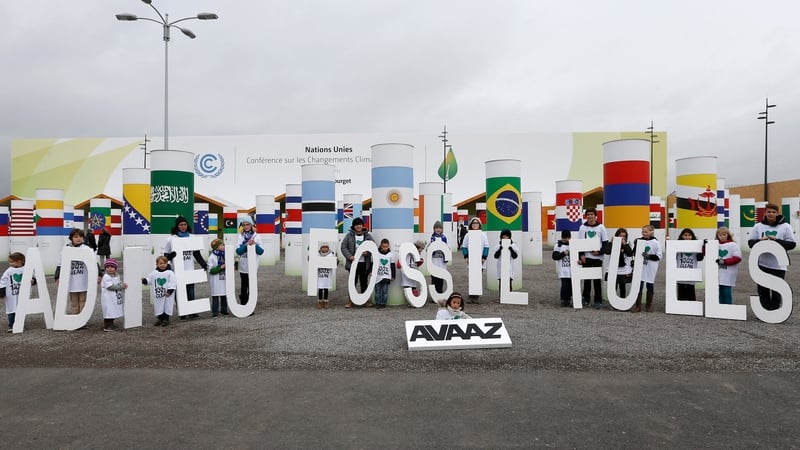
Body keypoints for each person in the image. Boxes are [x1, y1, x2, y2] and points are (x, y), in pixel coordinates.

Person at [748, 203, 796, 310]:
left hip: (778, 265)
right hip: (762, 264)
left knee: (777, 290)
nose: (771, 214)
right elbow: (750, 243)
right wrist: (760, 241)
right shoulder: (758, 226)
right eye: (769, 212)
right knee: (762, 289)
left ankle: (775, 311)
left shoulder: (786, 226)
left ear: (777, 213)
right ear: (765, 213)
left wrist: (776, 240)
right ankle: (765, 311)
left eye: (773, 212)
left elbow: (792, 244)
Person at [164, 216, 207, 320]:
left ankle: (192, 311)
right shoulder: (171, 239)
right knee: (179, 291)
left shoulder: (192, 237)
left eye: (184, 224)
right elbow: (166, 256)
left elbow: (197, 254)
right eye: (181, 225)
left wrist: (203, 264)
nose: (183, 226)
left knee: (191, 291)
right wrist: (171, 256)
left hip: (189, 268)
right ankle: (182, 312)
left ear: (187, 225)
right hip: (177, 269)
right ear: (177, 226)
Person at [54, 228, 101, 323]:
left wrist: (99, 274)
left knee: (83, 301)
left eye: (80, 236)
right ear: (71, 238)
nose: (78, 238)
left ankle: (82, 322)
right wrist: (57, 277)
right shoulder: (66, 249)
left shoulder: (87, 249)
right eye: (76, 237)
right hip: (72, 281)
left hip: (83, 280)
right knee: (74, 303)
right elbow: (60, 264)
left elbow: (94, 263)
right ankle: (75, 321)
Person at [340, 217, 375, 308]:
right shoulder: (349, 236)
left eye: (360, 224)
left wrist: (367, 252)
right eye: (356, 225)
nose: (358, 226)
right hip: (353, 264)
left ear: (362, 225)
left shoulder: (368, 236)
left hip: (364, 263)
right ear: (354, 226)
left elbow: (373, 247)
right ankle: (351, 301)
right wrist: (349, 256)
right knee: (352, 283)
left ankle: (365, 300)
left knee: (364, 282)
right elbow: (343, 247)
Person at [578, 207, 608, 309]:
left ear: (595, 216)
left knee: (596, 280)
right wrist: (581, 255)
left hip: (597, 258)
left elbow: (605, 243)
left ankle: (598, 300)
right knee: (586, 279)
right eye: (588, 214)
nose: (590, 216)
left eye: (592, 214)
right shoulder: (582, 227)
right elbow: (580, 242)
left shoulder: (601, 227)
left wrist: (599, 252)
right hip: (587, 257)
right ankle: (585, 298)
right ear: (586, 216)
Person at [632, 224, 661, 313]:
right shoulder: (639, 241)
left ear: (651, 232)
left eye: (646, 232)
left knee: (650, 286)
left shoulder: (656, 242)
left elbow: (659, 256)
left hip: (650, 267)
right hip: (641, 267)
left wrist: (649, 256)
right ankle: (638, 306)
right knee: (639, 286)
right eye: (643, 232)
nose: (644, 233)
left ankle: (648, 306)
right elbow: (634, 253)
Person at [235, 217, 264, 306]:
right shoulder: (240, 236)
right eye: (244, 225)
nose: (246, 226)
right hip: (243, 266)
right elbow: (238, 251)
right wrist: (246, 245)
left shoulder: (257, 236)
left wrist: (254, 244)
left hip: (253, 266)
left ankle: (251, 304)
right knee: (244, 286)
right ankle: (244, 303)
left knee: (252, 286)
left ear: (251, 225)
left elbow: (261, 251)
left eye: (248, 224)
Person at [142, 255, 177, 327]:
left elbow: (173, 282)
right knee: (159, 306)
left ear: (167, 263)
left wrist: (169, 291)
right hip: (158, 294)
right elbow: (149, 279)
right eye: (160, 263)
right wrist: (145, 280)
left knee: (167, 306)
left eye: (164, 263)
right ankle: (160, 319)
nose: (163, 265)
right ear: (157, 264)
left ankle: (166, 319)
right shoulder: (154, 273)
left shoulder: (170, 273)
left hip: (167, 294)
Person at [0, 252, 31, 332]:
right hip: (11, 294)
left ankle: (20, 325)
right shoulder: (9, 271)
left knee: (21, 309)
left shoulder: (26, 269)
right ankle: (11, 325)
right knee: (12, 310)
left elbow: (32, 276)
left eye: (12, 261)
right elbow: (3, 281)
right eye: (9, 261)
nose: (10, 263)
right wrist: (2, 291)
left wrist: (33, 281)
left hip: (22, 294)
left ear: (20, 261)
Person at [461, 217, 489, 304]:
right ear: (471, 225)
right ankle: (471, 295)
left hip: (480, 261)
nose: (475, 225)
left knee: (478, 277)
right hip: (471, 260)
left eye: (477, 223)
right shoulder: (468, 235)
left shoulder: (483, 235)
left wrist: (484, 257)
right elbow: (464, 246)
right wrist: (466, 257)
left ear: (479, 225)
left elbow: (486, 246)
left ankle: (476, 296)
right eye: (473, 223)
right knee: (472, 277)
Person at [604, 228, 635, 299]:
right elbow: (607, 251)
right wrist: (611, 242)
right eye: (620, 236)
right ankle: (613, 302)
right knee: (613, 286)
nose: (622, 238)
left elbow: (630, 253)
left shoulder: (627, 244)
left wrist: (625, 244)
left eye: (624, 236)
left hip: (623, 269)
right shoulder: (612, 244)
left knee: (622, 286)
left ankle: (622, 300)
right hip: (614, 268)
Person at [675, 228, 704, 301]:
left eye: (689, 235)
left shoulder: (696, 247)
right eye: (685, 235)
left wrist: (703, 247)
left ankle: (692, 309)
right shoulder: (677, 246)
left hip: (692, 273)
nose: (687, 237)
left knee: (691, 293)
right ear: (681, 236)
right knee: (681, 293)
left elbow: (700, 258)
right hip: (680, 272)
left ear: (692, 236)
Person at [716, 227, 742, 305]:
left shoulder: (733, 245)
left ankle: (728, 307)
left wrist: (724, 261)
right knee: (719, 292)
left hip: (728, 272)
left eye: (724, 234)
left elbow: (737, 258)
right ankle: (721, 307)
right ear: (717, 236)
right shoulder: (715, 245)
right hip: (718, 272)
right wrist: (704, 246)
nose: (722, 236)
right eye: (720, 235)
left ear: (728, 235)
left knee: (726, 291)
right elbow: (707, 253)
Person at [100, 258, 127, 332]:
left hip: (114, 298)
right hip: (108, 298)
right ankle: (107, 325)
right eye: (107, 267)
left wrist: (121, 285)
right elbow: (110, 287)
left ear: (115, 268)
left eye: (112, 267)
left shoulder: (116, 276)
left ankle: (111, 323)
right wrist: (121, 286)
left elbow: (118, 283)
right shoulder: (106, 277)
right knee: (109, 311)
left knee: (113, 310)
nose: (110, 269)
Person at [207, 238, 229, 317]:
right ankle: (215, 311)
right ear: (216, 247)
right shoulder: (212, 257)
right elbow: (211, 270)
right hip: (215, 280)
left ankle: (224, 310)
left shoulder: (226, 254)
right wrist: (221, 267)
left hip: (224, 278)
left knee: (224, 294)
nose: (223, 246)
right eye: (221, 245)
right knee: (215, 295)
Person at [373, 238, 396, 309]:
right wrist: (371, 272)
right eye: (383, 246)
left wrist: (393, 276)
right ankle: (378, 303)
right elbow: (373, 263)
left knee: (385, 291)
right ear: (381, 246)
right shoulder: (377, 254)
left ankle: (383, 303)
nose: (385, 248)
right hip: (377, 276)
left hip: (386, 276)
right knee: (377, 291)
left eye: (386, 246)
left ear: (388, 246)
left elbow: (392, 266)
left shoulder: (390, 255)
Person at [552, 230, 573, 307]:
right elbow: (554, 257)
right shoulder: (558, 246)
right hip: (563, 270)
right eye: (565, 238)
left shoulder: (573, 245)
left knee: (570, 285)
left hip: (571, 270)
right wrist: (563, 254)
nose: (566, 239)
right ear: (562, 237)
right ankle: (564, 300)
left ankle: (569, 299)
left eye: (568, 237)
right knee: (564, 285)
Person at [315, 242, 338, 309]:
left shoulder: (331, 255)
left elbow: (335, 264)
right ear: (320, 248)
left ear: (328, 248)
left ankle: (325, 301)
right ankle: (319, 301)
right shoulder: (317, 255)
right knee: (320, 288)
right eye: (323, 247)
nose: (324, 249)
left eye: (326, 247)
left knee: (326, 288)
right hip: (320, 276)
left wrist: (336, 261)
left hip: (327, 275)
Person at [428, 221, 449, 296]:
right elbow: (428, 248)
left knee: (441, 278)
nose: (438, 229)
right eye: (436, 228)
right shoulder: (431, 238)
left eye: (440, 228)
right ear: (434, 229)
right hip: (434, 261)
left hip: (441, 262)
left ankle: (440, 292)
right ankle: (434, 294)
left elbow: (447, 248)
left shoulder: (444, 238)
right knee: (434, 279)